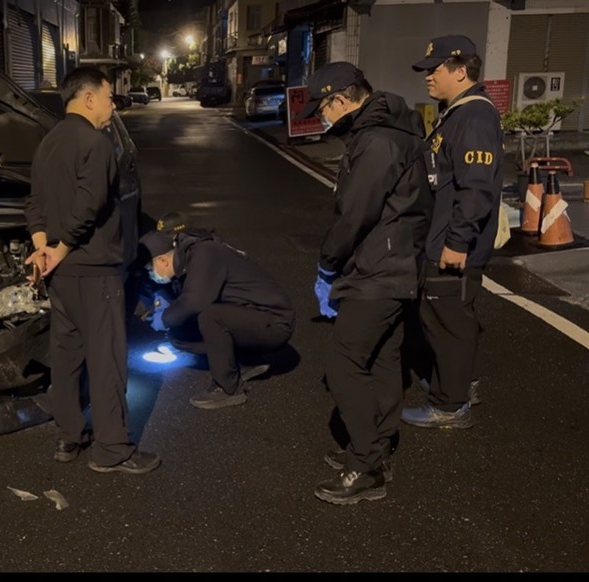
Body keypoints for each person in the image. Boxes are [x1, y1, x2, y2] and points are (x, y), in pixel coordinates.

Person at [297, 62, 432, 504]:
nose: (322, 116)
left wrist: (327, 266)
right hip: (399, 265)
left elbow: (355, 213)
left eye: (324, 107)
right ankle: (377, 448)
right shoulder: (394, 128)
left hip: (378, 268)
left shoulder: (375, 141)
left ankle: (365, 464)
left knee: (344, 364)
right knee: (384, 359)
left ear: (342, 98)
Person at [23, 66, 160, 475]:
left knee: (66, 356)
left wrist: (42, 247)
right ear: (87, 99)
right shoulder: (97, 143)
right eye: (107, 96)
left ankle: (69, 436)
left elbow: (34, 204)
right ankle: (112, 449)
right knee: (107, 360)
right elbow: (90, 205)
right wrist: (61, 248)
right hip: (94, 268)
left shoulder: (47, 142)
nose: (112, 104)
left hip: (60, 276)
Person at [401, 35, 503, 430]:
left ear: (461, 71)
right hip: (444, 237)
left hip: (452, 243)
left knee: (447, 322)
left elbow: (475, 187)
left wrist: (457, 242)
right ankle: (458, 384)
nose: (428, 76)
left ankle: (449, 404)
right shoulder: (457, 112)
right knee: (446, 318)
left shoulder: (474, 116)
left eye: (435, 69)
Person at [139, 212, 295, 410]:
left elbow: (193, 301)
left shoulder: (205, 253)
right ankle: (249, 359)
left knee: (210, 316)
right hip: (251, 317)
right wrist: (164, 301)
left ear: (163, 260)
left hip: (275, 322)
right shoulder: (188, 255)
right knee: (179, 334)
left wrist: (166, 318)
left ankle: (228, 387)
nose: (152, 275)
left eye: (151, 270)